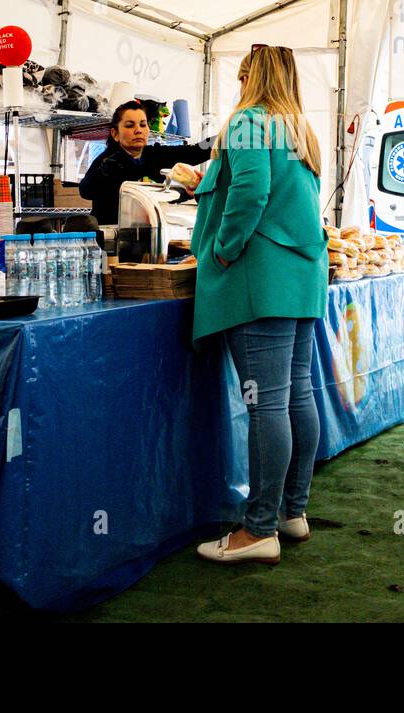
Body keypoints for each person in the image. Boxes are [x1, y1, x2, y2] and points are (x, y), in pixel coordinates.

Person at [189, 45, 328, 565]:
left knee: (267, 402)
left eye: (241, 71)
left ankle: (258, 529)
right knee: (297, 393)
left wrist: (224, 248)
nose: (238, 78)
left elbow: (251, 189)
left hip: (262, 276)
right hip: (303, 275)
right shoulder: (299, 128)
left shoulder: (249, 120)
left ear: (250, 74)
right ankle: (292, 512)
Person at [77, 100, 211, 225]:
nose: (138, 130)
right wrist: (102, 173)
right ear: (115, 133)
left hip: (146, 235)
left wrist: (228, 137)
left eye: (143, 124)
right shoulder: (109, 160)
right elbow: (85, 190)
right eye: (130, 125)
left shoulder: (152, 155)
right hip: (112, 239)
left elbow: (196, 151)